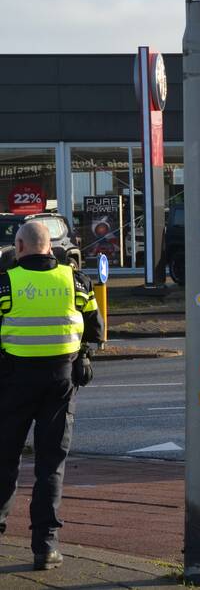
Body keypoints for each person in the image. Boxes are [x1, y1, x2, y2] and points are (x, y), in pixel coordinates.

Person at [0, 221, 104, 570]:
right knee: (50, 466)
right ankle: (45, 548)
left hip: (12, 382)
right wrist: (84, 354)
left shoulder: (5, 282)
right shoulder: (75, 281)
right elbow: (96, 329)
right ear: (50, 246)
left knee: (4, 459)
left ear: (20, 245)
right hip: (60, 382)